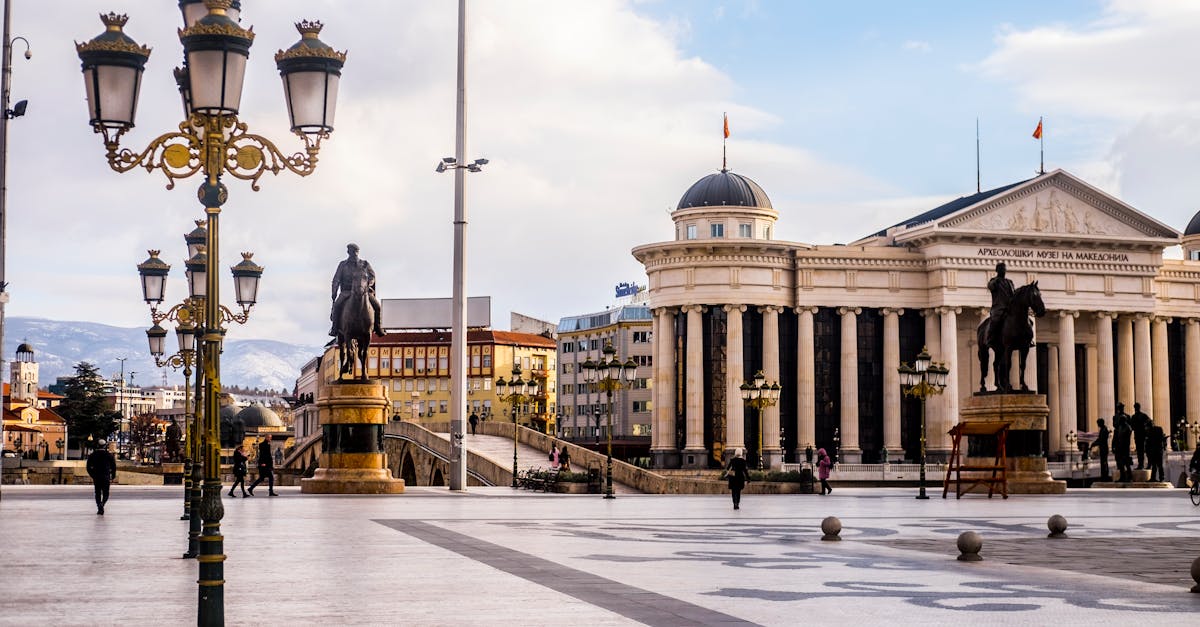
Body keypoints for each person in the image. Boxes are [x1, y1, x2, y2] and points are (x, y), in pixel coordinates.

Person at [330, 243, 385, 337]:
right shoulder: (343, 265)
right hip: (347, 292)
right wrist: (334, 292)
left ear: (358, 252)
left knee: (377, 306)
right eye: (352, 252)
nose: (354, 254)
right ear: (348, 252)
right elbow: (336, 279)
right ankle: (335, 328)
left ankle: (377, 327)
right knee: (337, 306)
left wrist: (368, 284)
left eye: (356, 252)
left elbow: (372, 276)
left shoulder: (364, 264)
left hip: (363, 292)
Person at [986, 262, 1015, 349]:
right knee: (995, 321)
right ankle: (990, 338)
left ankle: (1027, 339)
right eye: (1001, 269)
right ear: (997, 270)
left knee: (1027, 321)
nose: (1003, 271)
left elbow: (1013, 294)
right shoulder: (994, 281)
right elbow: (990, 286)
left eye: (1004, 269)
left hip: (1009, 309)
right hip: (998, 308)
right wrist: (996, 281)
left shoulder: (1009, 282)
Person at [86, 439, 118, 515]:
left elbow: (88, 467)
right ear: (105, 446)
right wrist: (113, 476)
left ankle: (99, 506)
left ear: (98, 445)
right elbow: (113, 467)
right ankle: (102, 504)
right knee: (106, 493)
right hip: (106, 477)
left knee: (97, 493)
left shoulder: (93, 455)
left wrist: (92, 475)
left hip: (97, 477)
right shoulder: (109, 455)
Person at [1113, 407, 1133, 482]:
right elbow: (1117, 437)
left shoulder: (1128, 428)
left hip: (1125, 447)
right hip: (1120, 447)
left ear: (1124, 420)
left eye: (1121, 420)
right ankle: (1123, 477)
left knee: (1127, 463)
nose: (1119, 421)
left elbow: (1126, 438)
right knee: (1121, 463)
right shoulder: (1120, 427)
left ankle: (1130, 477)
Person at [1130, 403, 1151, 470]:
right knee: (1139, 451)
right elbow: (1132, 427)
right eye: (1135, 407)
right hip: (1138, 436)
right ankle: (1140, 464)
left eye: (1137, 407)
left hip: (1142, 436)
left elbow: (1150, 422)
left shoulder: (1142, 416)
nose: (1136, 408)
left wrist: (1145, 429)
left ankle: (1144, 464)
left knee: (1144, 451)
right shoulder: (1134, 417)